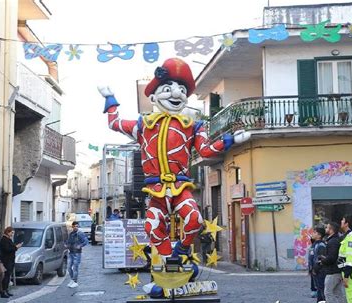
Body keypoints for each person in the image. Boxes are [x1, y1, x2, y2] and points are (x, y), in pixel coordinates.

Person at [98, 58, 250, 260]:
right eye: (168, 88)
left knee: (195, 219)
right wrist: (110, 98)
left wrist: (229, 140)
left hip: (180, 186)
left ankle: (181, 250)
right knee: (151, 227)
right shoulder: (143, 125)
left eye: (182, 89)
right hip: (156, 189)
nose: (177, 93)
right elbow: (114, 123)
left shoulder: (193, 126)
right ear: (153, 97)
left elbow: (205, 151)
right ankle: (166, 263)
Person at [320, 222, 345, 303]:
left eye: (327, 227)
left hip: (332, 271)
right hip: (336, 270)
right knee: (337, 292)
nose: (325, 229)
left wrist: (322, 261)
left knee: (328, 292)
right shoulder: (334, 240)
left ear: (331, 230)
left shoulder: (333, 241)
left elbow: (332, 258)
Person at [0, 226, 22, 298]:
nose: (12, 234)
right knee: (6, 276)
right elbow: (7, 249)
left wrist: (15, 247)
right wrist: (16, 247)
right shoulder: (4, 239)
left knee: (8, 276)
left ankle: (6, 290)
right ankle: (3, 291)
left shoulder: (8, 239)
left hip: (10, 260)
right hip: (6, 260)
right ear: (7, 232)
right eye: (12, 233)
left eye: (13, 233)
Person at [65, 221, 88, 288]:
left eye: (77, 226)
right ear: (72, 226)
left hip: (77, 254)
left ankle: (75, 281)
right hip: (71, 252)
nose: (76, 227)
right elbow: (68, 242)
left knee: (75, 268)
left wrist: (80, 245)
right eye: (75, 226)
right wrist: (66, 245)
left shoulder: (80, 234)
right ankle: (72, 280)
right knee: (69, 268)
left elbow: (86, 241)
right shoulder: (71, 234)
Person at [311, 227, 327, 303]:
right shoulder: (315, 244)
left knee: (321, 287)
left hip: (320, 270)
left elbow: (320, 259)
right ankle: (319, 302)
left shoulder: (321, 245)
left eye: (315, 232)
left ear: (319, 235)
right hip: (315, 269)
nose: (312, 234)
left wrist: (315, 269)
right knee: (318, 287)